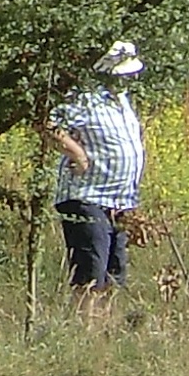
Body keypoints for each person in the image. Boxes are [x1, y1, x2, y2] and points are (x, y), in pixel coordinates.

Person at [43, 40, 147, 295]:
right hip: (87, 196)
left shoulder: (122, 100)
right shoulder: (82, 98)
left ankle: (104, 331)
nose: (128, 79)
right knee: (90, 273)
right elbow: (46, 123)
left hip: (121, 202)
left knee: (115, 275)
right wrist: (77, 154)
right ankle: (85, 329)